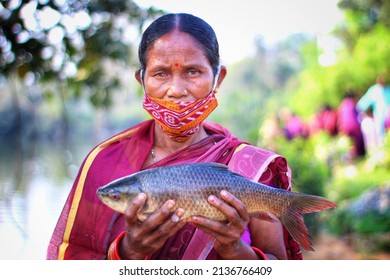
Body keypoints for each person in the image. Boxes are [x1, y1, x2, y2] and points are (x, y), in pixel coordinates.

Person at [47, 13, 302, 260]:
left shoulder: (252, 168)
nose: (176, 90)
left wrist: (235, 250)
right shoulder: (104, 162)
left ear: (218, 77)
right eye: (160, 73)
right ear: (142, 80)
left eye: (193, 72)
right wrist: (127, 252)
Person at [357, 75, 390, 144]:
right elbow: (365, 101)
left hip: (387, 115)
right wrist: (358, 110)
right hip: (379, 115)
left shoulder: (387, 90)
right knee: (381, 133)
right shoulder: (374, 90)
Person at [337, 91, 365, 159]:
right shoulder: (352, 104)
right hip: (354, 128)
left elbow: (339, 119)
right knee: (358, 141)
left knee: (350, 144)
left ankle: (350, 157)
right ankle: (360, 155)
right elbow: (358, 115)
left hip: (344, 129)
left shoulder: (341, 106)